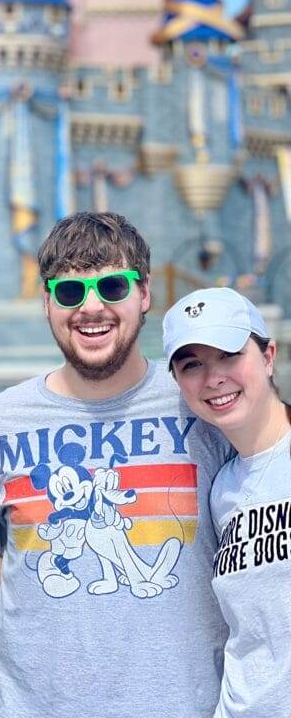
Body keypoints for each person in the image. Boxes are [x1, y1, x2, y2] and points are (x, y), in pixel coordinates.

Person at [0, 212, 230, 718]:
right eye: (71, 292)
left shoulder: (203, 403)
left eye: (112, 285)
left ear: (144, 294)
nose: (92, 307)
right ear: (47, 302)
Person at [165, 287, 291, 718]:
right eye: (192, 364)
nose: (213, 377)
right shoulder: (222, 491)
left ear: (268, 355)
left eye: (229, 355)